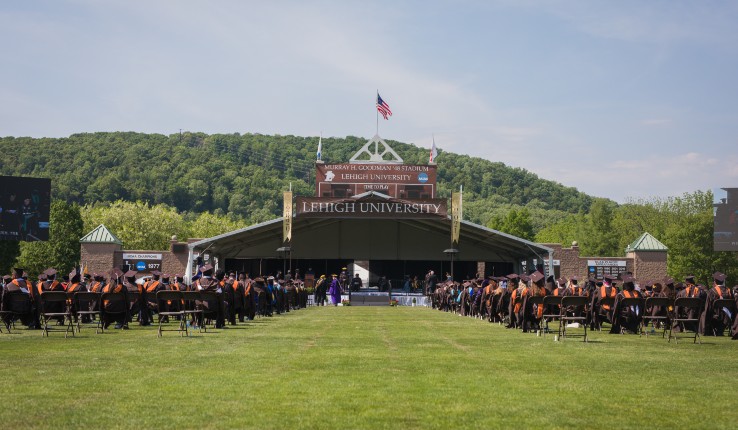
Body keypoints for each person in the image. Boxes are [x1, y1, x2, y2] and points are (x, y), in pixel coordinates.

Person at [699, 272, 735, 336]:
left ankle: (709, 330)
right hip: (728, 316)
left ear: (715, 281)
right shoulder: (729, 291)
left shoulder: (712, 291)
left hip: (716, 316)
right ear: (723, 281)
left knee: (703, 314)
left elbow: (708, 307)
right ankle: (721, 330)